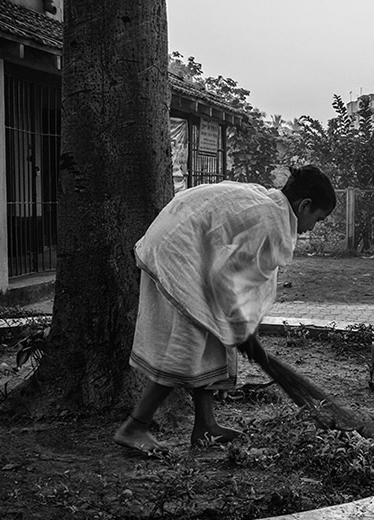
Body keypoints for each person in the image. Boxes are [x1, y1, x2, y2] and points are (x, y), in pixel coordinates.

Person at [114, 165, 337, 455]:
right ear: (304, 205)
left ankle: (205, 425)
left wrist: (240, 328)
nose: (313, 227)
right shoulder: (271, 221)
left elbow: (234, 272)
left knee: (213, 339)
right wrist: (241, 328)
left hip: (184, 246)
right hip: (178, 253)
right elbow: (225, 277)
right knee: (186, 346)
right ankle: (134, 426)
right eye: (317, 219)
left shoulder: (270, 205)